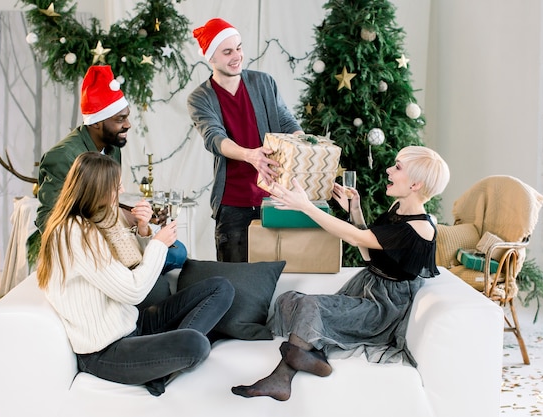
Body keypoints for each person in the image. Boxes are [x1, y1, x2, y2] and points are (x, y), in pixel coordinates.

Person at [231, 146, 450, 401]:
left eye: (398, 167)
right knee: (289, 299)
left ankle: (282, 378)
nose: (389, 170)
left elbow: (355, 236)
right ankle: (311, 356)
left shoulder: (420, 227)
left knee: (311, 305)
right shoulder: (398, 209)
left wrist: (305, 206)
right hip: (369, 287)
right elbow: (369, 254)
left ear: (415, 184)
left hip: (381, 308)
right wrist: (354, 210)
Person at [36, 152, 235, 396]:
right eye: (115, 186)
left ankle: (160, 363)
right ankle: (159, 365)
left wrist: (143, 229)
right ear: (97, 189)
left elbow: (131, 264)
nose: (120, 190)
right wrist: (159, 244)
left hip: (132, 324)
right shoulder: (75, 234)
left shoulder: (97, 220)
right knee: (196, 344)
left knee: (221, 288)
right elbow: (134, 290)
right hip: (106, 351)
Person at [31, 64, 186, 278]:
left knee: (178, 252)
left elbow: (107, 202)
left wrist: (137, 218)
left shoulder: (112, 148)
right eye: (120, 119)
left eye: (127, 117)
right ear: (96, 123)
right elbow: (48, 219)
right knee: (173, 256)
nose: (128, 125)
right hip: (92, 247)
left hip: (116, 234)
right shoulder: (62, 157)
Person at [187, 18, 304, 262]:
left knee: (276, 278)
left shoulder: (263, 83)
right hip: (232, 206)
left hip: (274, 199)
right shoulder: (200, 98)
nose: (237, 56)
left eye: (239, 48)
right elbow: (214, 137)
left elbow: (286, 122)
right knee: (236, 282)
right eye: (227, 51)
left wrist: (304, 144)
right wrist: (251, 155)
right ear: (211, 58)